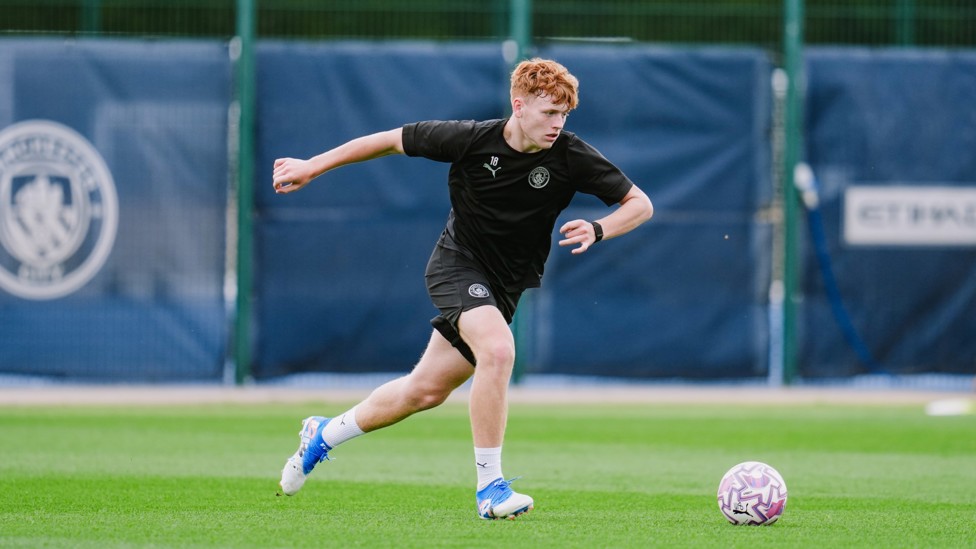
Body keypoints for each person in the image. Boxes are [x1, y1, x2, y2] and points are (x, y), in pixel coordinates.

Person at [271, 58, 653, 520]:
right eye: (549, 112)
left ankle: (323, 435)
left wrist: (599, 228)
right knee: (497, 351)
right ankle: (490, 488)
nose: (558, 124)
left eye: (564, 114)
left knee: (423, 393)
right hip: (457, 266)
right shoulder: (471, 139)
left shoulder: (571, 155)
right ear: (519, 105)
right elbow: (389, 140)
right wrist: (314, 165)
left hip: (503, 288)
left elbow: (639, 204)